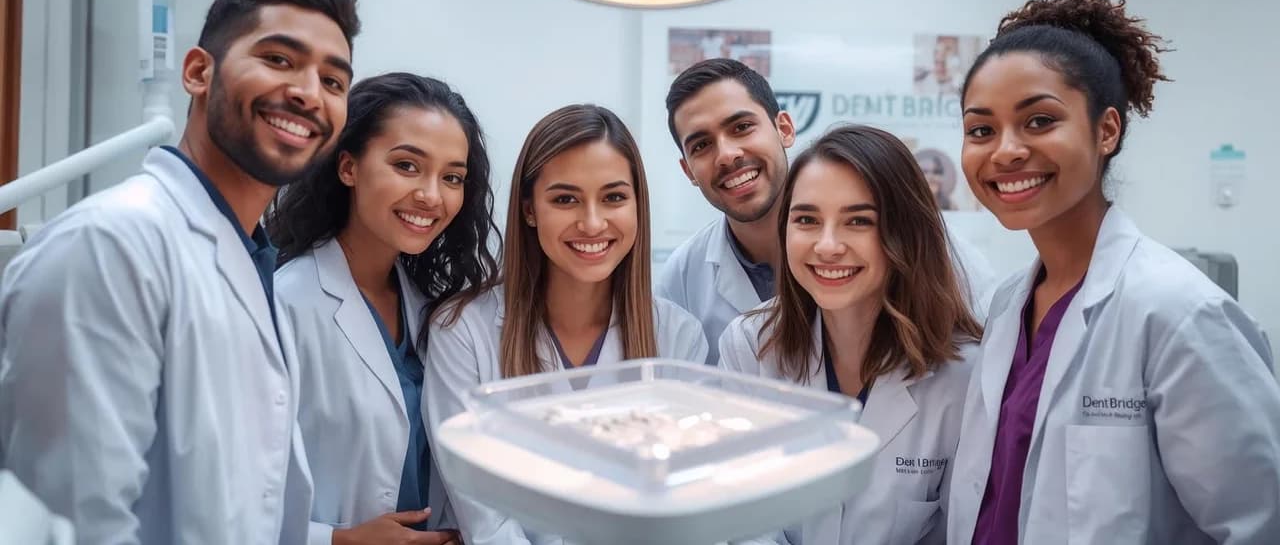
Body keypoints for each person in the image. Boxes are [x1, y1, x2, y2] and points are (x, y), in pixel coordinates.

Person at [0, 0, 360, 544]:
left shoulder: (255, 260)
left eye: (334, 81)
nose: (308, 93)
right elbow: (71, 521)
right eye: (278, 59)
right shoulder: (111, 244)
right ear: (199, 72)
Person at [947, 0, 1280, 543]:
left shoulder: (1177, 311)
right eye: (981, 130)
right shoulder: (1006, 305)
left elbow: (1257, 523)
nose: (1004, 151)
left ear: (1107, 131)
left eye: (1039, 121)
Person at [424, 104, 708, 545]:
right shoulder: (463, 330)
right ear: (530, 210)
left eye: (614, 197)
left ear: (638, 206)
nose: (592, 222)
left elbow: (678, 506)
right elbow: (484, 516)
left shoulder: (678, 338)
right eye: (565, 199)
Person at [720, 125, 982, 544]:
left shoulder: (965, 375)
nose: (827, 246)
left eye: (858, 221)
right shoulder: (750, 345)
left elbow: (963, 531)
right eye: (806, 219)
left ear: (905, 234)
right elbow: (738, 515)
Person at [269, 73, 499, 545]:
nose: (432, 195)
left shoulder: (431, 306)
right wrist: (336, 541)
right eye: (407, 166)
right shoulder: (285, 302)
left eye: (452, 177)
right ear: (349, 167)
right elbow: (228, 489)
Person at [659, 58, 996, 362]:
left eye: (742, 127)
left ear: (785, 129)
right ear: (688, 170)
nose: (727, 154)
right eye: (701, 145)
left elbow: (988, 351)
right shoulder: (682, 278)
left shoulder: (919, 241)